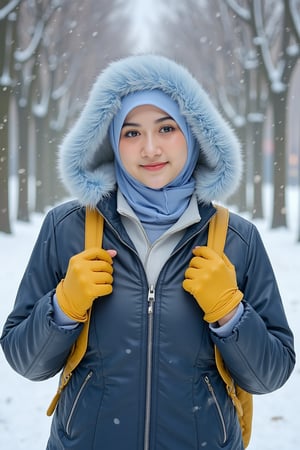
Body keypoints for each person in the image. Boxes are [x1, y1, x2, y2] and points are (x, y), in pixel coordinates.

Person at [0, 54, 295, 450]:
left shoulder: (237, 240)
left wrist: (230, 311)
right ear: (111, 142)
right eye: (132, 133)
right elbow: (27, 363)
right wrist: (62, 307)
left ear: (192, 133)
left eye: (166, 128)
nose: (151, 148)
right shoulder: (67, 227)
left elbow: (268, 376)